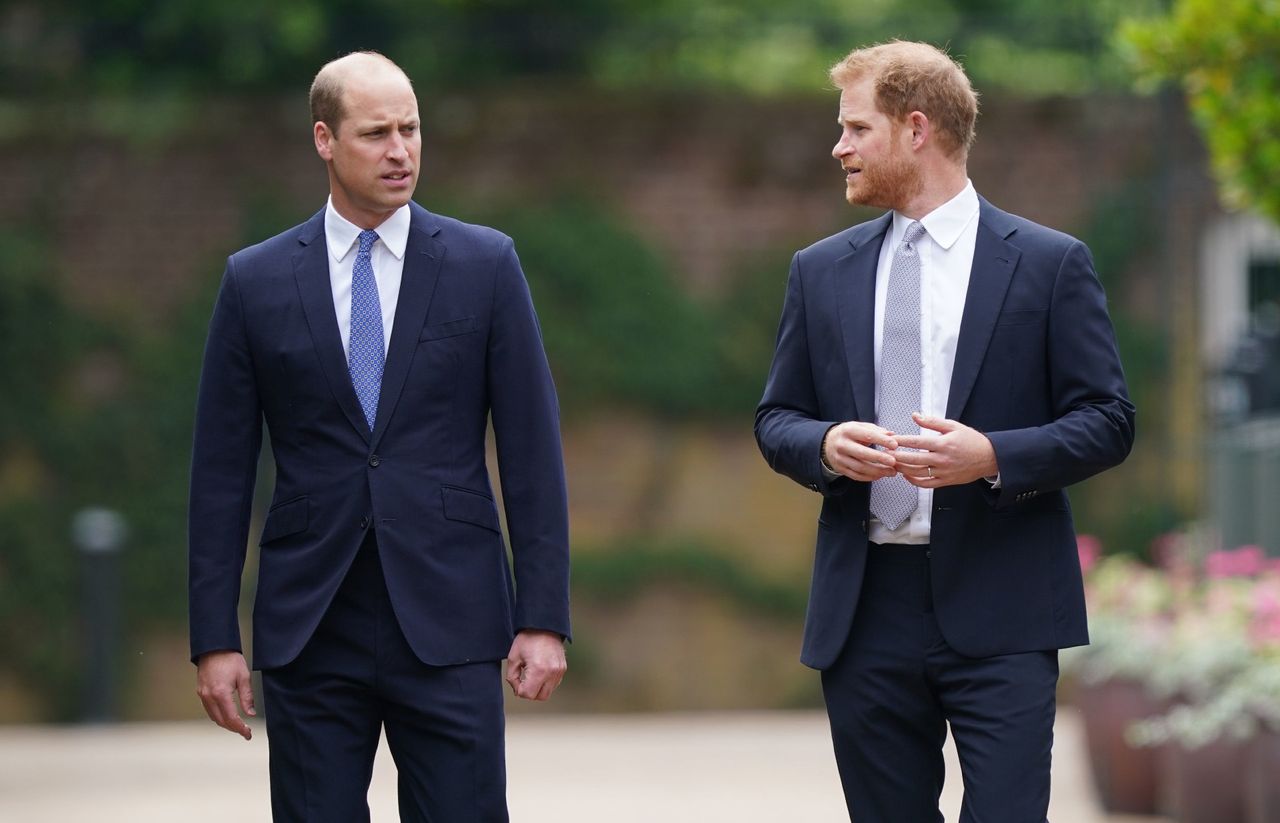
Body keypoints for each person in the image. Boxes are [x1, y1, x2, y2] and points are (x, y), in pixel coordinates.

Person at [755, 41, 1135, 822]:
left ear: (916, 128)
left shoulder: (1049, 264)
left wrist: (994, 456)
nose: (840, 147)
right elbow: (776, 419)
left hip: (1005, 602)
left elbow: (1109, 421)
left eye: (857, 128)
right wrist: (824, 445)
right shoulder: (819, 270)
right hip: (866, 613)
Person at [188, 51, 570, 822]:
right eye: (376, 134)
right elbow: (220, 472)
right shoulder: (254, 281)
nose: (401, 151)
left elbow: (532, 451)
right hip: (309, 622)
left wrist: (543, 616)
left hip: (453, 615)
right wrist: (213, 637)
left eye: (412, 129)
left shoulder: (484, 264)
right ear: (325, 139)